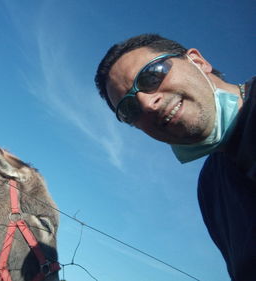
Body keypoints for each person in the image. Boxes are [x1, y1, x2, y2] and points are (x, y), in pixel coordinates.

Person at [94, 34, 255, 281]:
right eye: (130, 109)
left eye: (151, 76)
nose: (148, 104)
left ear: (197, 62)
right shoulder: (211, 187)